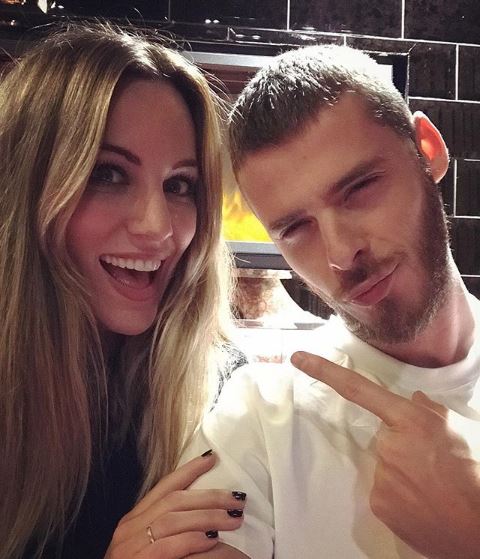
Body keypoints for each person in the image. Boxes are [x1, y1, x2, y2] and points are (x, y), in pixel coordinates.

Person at [180, 45, 480, 559]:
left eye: (359, 188)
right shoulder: (261, 415)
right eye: (296, 228)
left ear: (427, 150)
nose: (341, 254)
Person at [0, 23, 248, 559]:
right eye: (107, 175)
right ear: (27, 187)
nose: (157, 228)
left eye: (179, 185)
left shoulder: (225, 391)